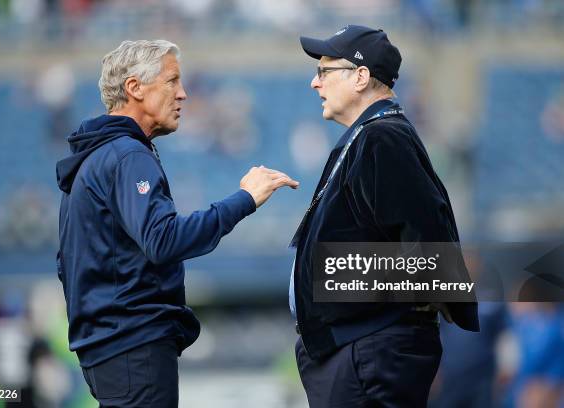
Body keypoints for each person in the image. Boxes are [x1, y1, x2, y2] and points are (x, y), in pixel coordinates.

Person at [55, 39, 298, 407]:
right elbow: (163, 240)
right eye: (171, 81)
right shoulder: (126, 155)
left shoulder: (96, 158)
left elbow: (66, 263)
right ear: (134, 88)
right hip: (132, 344)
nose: (182, 94)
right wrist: (244, 199)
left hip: (108, 346)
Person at [290, 25, 479, 407]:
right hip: (359, 347)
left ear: (361, 77)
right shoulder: (370, 136)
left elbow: (432, 258)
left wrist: (337, 283)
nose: (314, 83)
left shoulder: (383, 137)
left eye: (324, 71)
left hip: (369, 350)